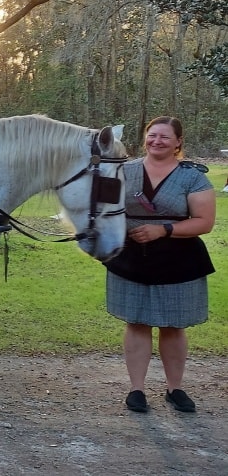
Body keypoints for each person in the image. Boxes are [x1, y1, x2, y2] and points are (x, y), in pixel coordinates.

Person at [103, 116, 216, 414]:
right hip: (130, 258)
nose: (157, 141)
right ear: (145, 138)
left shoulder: (192, 177)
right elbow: (102, 208)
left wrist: (162, 229)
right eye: (152, 136)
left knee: (173, 326)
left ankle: (174, 389)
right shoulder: (123, 170)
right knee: (137, 322)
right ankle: (136, 390)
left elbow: (205, 222)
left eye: (165, 137)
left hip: (178, 260)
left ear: (178, 142)